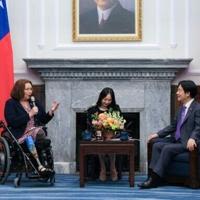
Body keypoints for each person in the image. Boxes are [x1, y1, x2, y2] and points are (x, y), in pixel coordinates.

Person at [138, 80, 200, 189]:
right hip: (176, 140)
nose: (177, 93)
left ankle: (155, 179)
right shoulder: (181, 108)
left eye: (179, 90)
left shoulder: (197, 108)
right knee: (156, 144)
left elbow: (198, 126)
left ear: (188, 93)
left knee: (167, 148)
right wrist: (157, 134)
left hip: (187, 142)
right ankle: (151, 177)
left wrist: (193, 138)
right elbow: (173, 127)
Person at [4, 79, 59, 176]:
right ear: (20, 90)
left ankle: (43, 166)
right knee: (39, 134)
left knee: (39, 132)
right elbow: (12, 122)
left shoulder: (34, 102)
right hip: (19, 133)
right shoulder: (11, 103)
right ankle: (40, 166)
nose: (30, 91)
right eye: (27, 89)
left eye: (31, 89)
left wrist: (51, 112)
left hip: (34, 131)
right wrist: (29, 114)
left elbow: (43, 120)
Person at [87, 87, 123, 181]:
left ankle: (112, 167)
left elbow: (120, 124)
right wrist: (96, 124)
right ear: (101, 98)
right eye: (105, 99)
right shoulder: (93, 110)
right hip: (98, 136)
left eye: (109, 100)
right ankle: (103, 169)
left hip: (112, 136)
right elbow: (90, 126)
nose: (107, 102)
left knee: (110, 142)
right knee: (101, 142)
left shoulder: (115, 108)